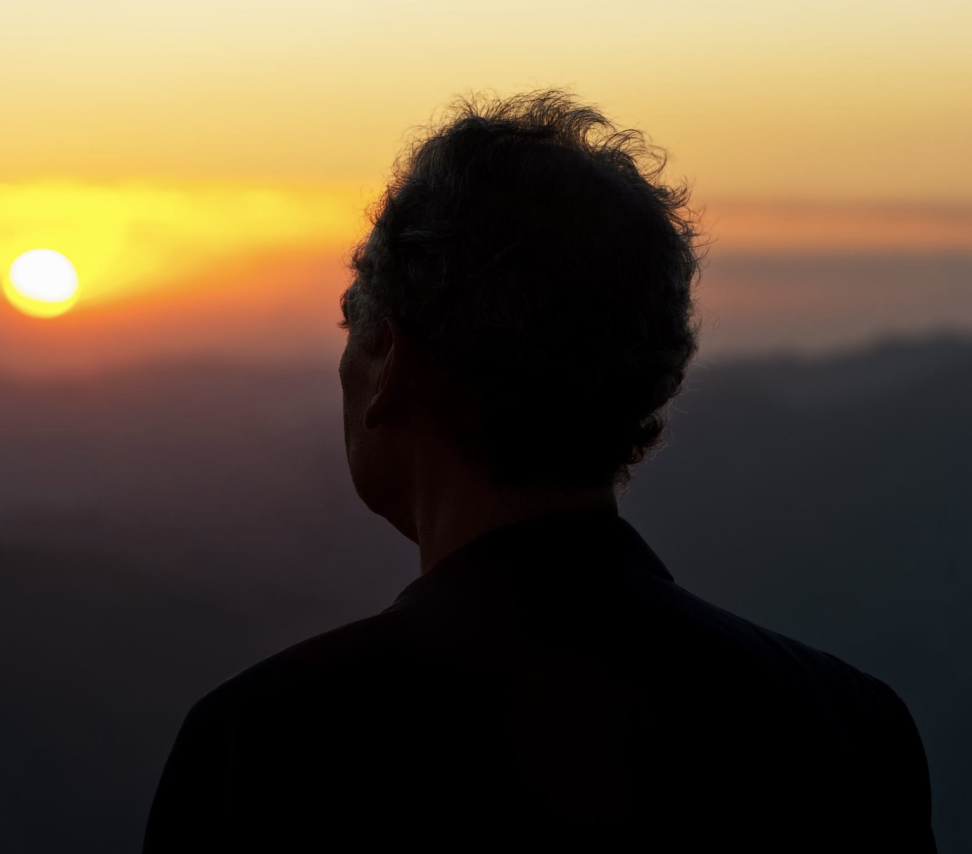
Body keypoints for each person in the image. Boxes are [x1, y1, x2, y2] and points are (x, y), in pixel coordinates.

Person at [143, 90, 936, 852]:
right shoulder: (850, 729)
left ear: (390, 363)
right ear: (652, 382)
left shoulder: (273, 748)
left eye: (352, 324)